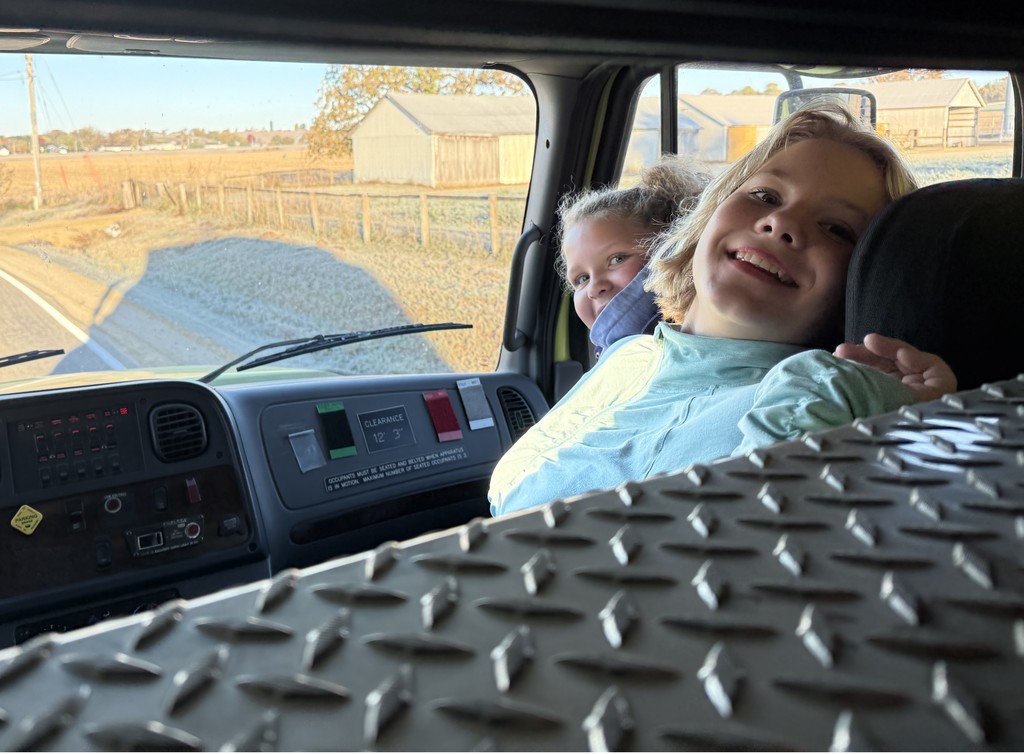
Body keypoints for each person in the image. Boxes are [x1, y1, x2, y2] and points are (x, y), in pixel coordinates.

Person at [490, 103, 956, 517]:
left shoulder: (811, 402)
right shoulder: (628, 355)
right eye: (765, 196)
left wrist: (855, 396)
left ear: (865, 281)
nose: (780, 223)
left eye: (837, 229)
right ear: (708, 215)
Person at [556, 155, 710, 355]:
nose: (594, 288)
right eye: (582, 279)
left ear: (672, 253)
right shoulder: (612, 358)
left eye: (616, 259)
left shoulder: (693, 346)